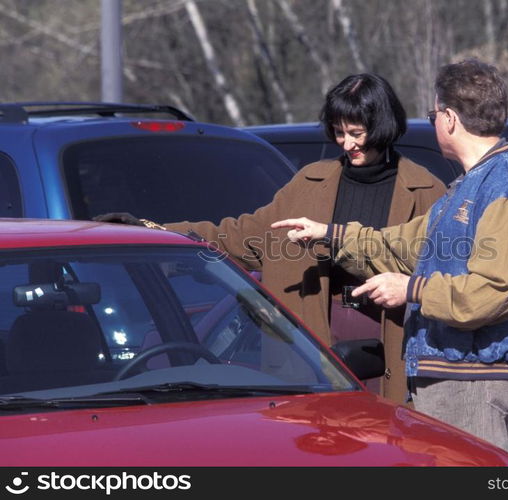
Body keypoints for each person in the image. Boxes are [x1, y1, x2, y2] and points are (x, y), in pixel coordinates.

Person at [94, 73, 446, 403]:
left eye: (356, 132)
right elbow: (241, 236)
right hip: (315, 349)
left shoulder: (427, 190)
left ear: (382, 127)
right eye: (339, 132)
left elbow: (451, 276)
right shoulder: (309, 183)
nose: (347, 143)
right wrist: (152, 232)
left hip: (395, 345)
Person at [271, 58, 508, 452]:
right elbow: (399, 246)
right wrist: (329, 235)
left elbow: (495, 292)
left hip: (472, 383)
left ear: (450, 119)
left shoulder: (505, 188)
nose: (434, 122)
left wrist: (412, 289)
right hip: (446, 381)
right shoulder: (466, 188)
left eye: (434, 114)